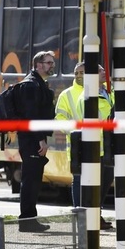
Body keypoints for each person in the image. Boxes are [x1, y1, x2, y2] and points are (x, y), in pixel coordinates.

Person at [17, 51, 56, 232]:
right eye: (48, 62)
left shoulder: (38, 84)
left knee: (33, 180)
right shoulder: (31, 85)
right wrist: (40, 140)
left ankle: (29, 218)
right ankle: (26, 220)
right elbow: (31, 116)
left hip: (33, 138)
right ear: (38, 64)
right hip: (31, 139)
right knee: (30, 180)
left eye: (52, 62)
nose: (51, 66)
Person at [76, 64, 115, 230]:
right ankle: (90, 218)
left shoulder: (106, 93)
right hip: (95, 147)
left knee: (104, 183)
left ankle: (96, 215)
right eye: (99, 70)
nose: (104, 72)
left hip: (106, 146)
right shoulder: (88, 96)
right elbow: (102, 117)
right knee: (95, 186)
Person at [54, 61, 84, 206]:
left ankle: (97, 215)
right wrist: (74, 132)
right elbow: (60, 119)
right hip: (77, 145)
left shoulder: (102, 91)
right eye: (76, 73)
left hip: (102, 146)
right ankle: (80, 214)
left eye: (82, 73)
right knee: (78, 180)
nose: (78, 76)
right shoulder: (67, 94)